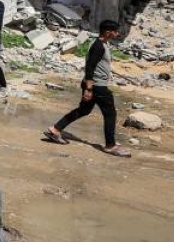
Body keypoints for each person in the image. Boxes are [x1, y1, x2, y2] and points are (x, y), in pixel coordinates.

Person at [46, 20, 131, 157]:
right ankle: (110, 146)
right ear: (107, 32)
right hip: (97, 86)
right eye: (115, 32)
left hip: (93, 85)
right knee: (110, 115)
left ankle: (56, 129)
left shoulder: (101, 43)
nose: (117, 34)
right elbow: (90, 67)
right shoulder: (98, 46)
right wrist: (89, 89)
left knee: (83, 110)